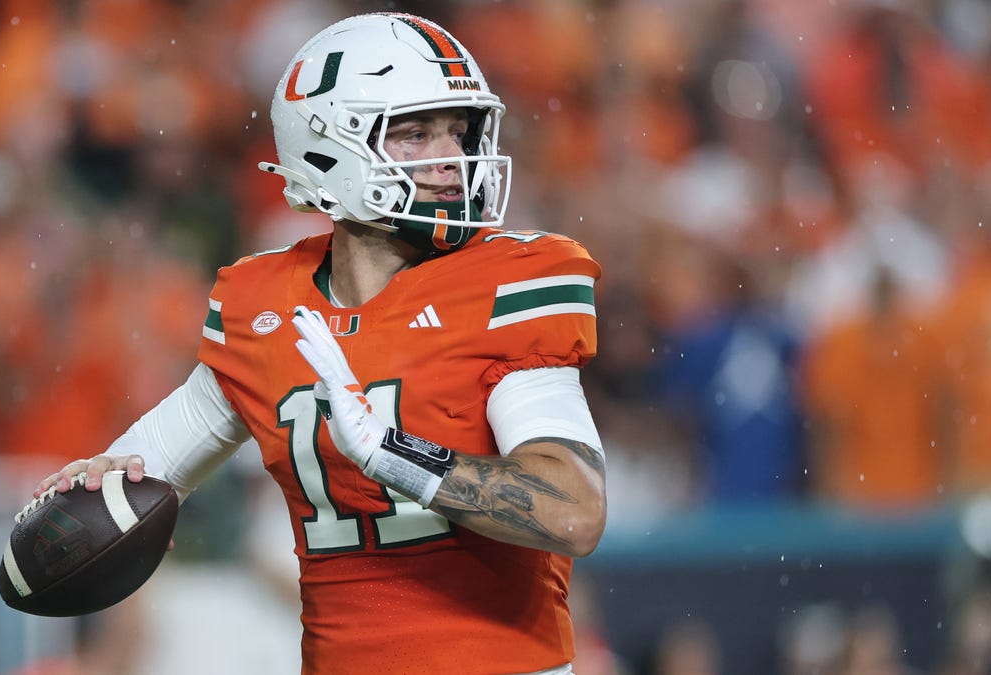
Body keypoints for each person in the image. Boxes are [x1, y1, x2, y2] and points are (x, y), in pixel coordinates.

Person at [33, 12, 607, 675]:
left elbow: (574, 510)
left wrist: (394, 453)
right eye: (416, 133)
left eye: (459, 130)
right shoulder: (265, 303)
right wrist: (94, 494)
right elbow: (148, 467)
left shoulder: (509, 281)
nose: (452, 158)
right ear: (328, 149)